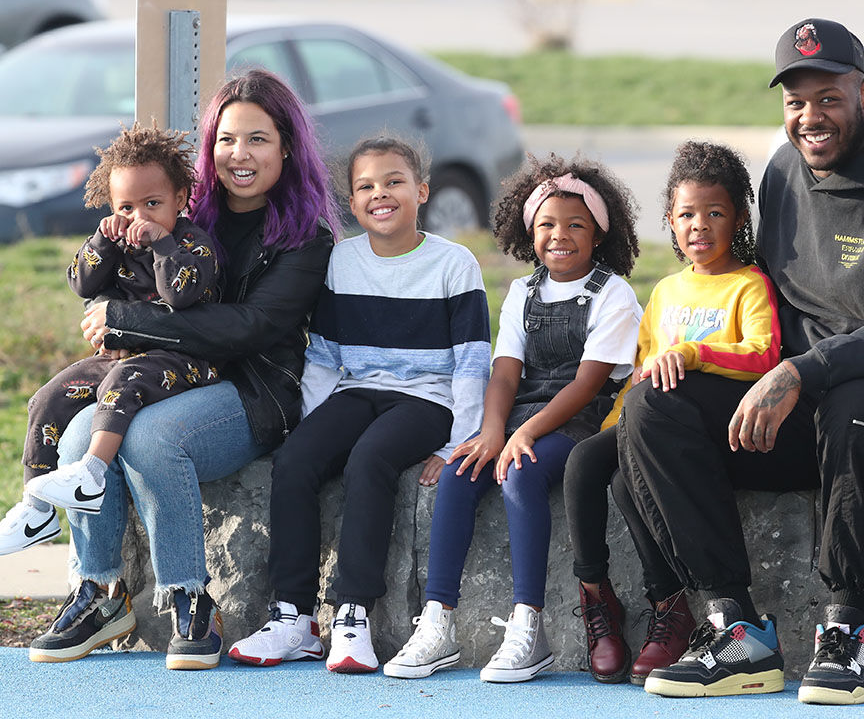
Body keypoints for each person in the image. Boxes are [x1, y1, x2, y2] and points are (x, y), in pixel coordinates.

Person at [627, 18, 864, 705]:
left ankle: (846, 630)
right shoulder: (785, 171)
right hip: (814, 404)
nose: (810, 117)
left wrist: (799, 372)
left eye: (829, 98)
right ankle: (734, 628)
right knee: (656, 407)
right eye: (795, 101)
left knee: (857, 402)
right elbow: (768, 294)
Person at [26, 70, 342, 671]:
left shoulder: (307, 240)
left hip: (252, 390)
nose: (239, 154)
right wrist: (110, 300)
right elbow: (110, 278)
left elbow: (250, 328)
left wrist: (125, 322)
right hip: (164, 372)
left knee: (151, 438)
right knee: (76, 434)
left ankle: (190, 598)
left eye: (257, 139)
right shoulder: (180, 212)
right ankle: (99, 592)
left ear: (286, 148)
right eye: (226, 139)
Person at [227, 135, 491, 674]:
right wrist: (309, 428)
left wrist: (456, 443)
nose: (380, 194)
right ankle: (294, 618)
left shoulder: (454, 263)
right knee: (296, 460)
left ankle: (353, 615)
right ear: (351, 202)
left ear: (422, 191)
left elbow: (471, 363)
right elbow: (324, 355)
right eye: (366, 187)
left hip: (427, 399)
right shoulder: (342, 260)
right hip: (357, 390)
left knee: (370, 460)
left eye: (394, 182)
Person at [383, 154, 642, 684]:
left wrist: (522, 434)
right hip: (522, 414)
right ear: (529, 231)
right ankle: (437, 622)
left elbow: (586, 385)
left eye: (576, 225)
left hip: (580, 423)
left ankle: (529, 626)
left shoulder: (613, 294)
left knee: (520, 472)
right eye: (547, 224)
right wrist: (491, 431)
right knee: (460, 472)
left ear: (599, 234)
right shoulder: (523, 291)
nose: (559, 235)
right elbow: (504, 375)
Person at [563, 140, 777, 685]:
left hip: (704, 428)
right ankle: (597, 600)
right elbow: (640, 373)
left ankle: (669, 605)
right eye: (686, 215)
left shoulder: (748, 284)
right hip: (645, 421)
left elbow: (764, 355)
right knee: (586, 463)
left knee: (626, 482)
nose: (699, 225)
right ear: (670, 221)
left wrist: (694, 353)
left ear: (739, 218)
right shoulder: (664, 291)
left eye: (714, 213)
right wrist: (616, 427)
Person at [0, 124, 221, 561]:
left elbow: (180, 294)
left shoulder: (192, 243)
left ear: (181, 198)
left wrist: (162, 243)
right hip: (119, 358)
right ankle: (35, 508)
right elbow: (81, 282)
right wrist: (102, 240)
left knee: (123, 380)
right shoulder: (116, 243)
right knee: (47, 398)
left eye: (152, 204)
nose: (139, 217)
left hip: (183, 360)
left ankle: (91, 472)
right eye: (126, 207)